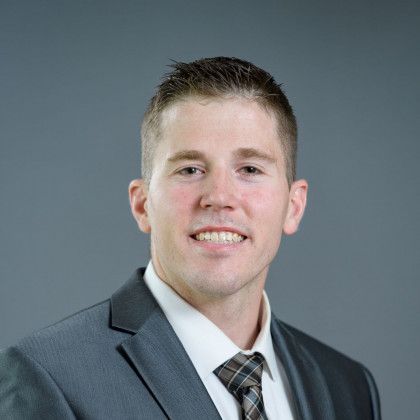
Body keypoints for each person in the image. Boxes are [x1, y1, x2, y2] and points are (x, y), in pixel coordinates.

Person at [0, 57, 381, 419]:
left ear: (294, 206)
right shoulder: (50, 377)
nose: (219, 196)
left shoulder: (346, 387)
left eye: (249, 168)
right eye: (190, 169)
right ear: (142, 204)